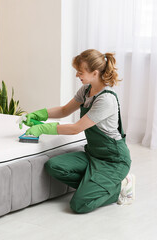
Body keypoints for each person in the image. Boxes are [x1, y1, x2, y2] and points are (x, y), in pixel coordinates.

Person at [21, 49, 135, 213]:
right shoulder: (86, 90)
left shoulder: (106, 99)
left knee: (80, 204)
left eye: (80, 72)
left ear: (95, 73)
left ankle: (121, 187)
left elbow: (76, 128)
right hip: (93, 155)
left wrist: (43, 128)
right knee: (54, 166)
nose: (77, 75)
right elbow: (64, 110)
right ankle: (94, 184)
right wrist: (40, 114)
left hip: (113, 160)